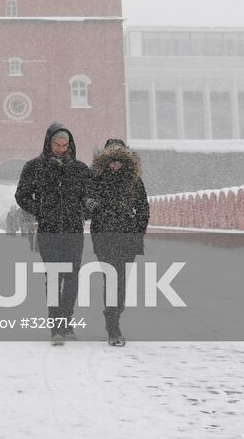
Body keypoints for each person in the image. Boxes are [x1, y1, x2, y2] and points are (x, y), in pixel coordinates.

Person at [14, 123, 90, 345]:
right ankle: (56, 327)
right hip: (49, 231)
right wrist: (41, 210)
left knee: (72, 278)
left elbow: (92, 197)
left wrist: (82, 212)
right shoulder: (34, 167)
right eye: (56, 144)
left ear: (70, 144)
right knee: (54, 276)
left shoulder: (80, 169)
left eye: (64, 145)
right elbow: (21, 195)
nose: (60, 149)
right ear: (49, 143)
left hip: (73, 231)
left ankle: (67, 321)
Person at [88, 138, 150, 347]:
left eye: (118, 161)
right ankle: (113, 326)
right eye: (111, 160)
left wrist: (138, 231)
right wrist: (91, 206)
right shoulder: (96, 180)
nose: (115, 165)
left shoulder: (134, 181)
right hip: (104, 236)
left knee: (121, 282)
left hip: (126, 237)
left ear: (125, 161)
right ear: (105, 161)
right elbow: (86, 205)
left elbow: (143, 209)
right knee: (111, 278)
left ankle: (115, 311)